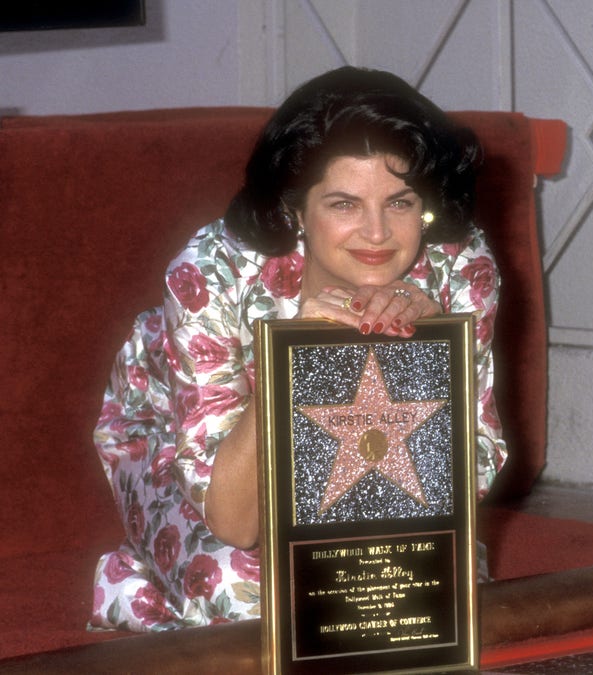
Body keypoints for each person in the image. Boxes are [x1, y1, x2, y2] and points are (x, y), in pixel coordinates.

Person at [89, 66, 506, 631]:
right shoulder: (210, 274)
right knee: (249, 599)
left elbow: (470, 470)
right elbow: (236, 522)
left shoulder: (461, 269)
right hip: (182, 444)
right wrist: (293, 362)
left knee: (438, 596)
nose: (378, 233)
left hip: (365, 456)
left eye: (401, 202)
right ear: (295, 209)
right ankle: (136, 577)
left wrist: (428, 356)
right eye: (344, 204)